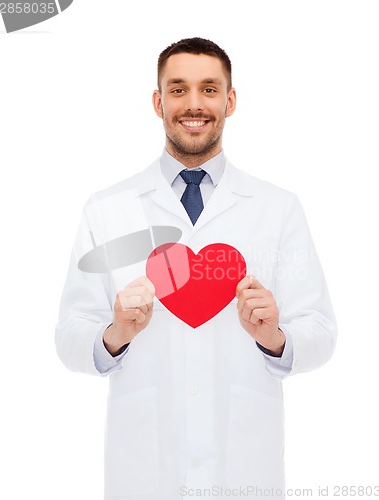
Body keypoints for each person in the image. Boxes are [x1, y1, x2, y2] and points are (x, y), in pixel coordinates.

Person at [55, 37, 337, 500]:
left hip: (244, 465)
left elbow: (322, 331)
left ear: (229, 101)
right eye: (178, 88)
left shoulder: (278, 208)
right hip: (145, 469)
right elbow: (69, 334)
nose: (193, 104)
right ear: (157, 101)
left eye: (209, 89)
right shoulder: (108, 209)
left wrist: (275, 339)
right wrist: (116, 333)